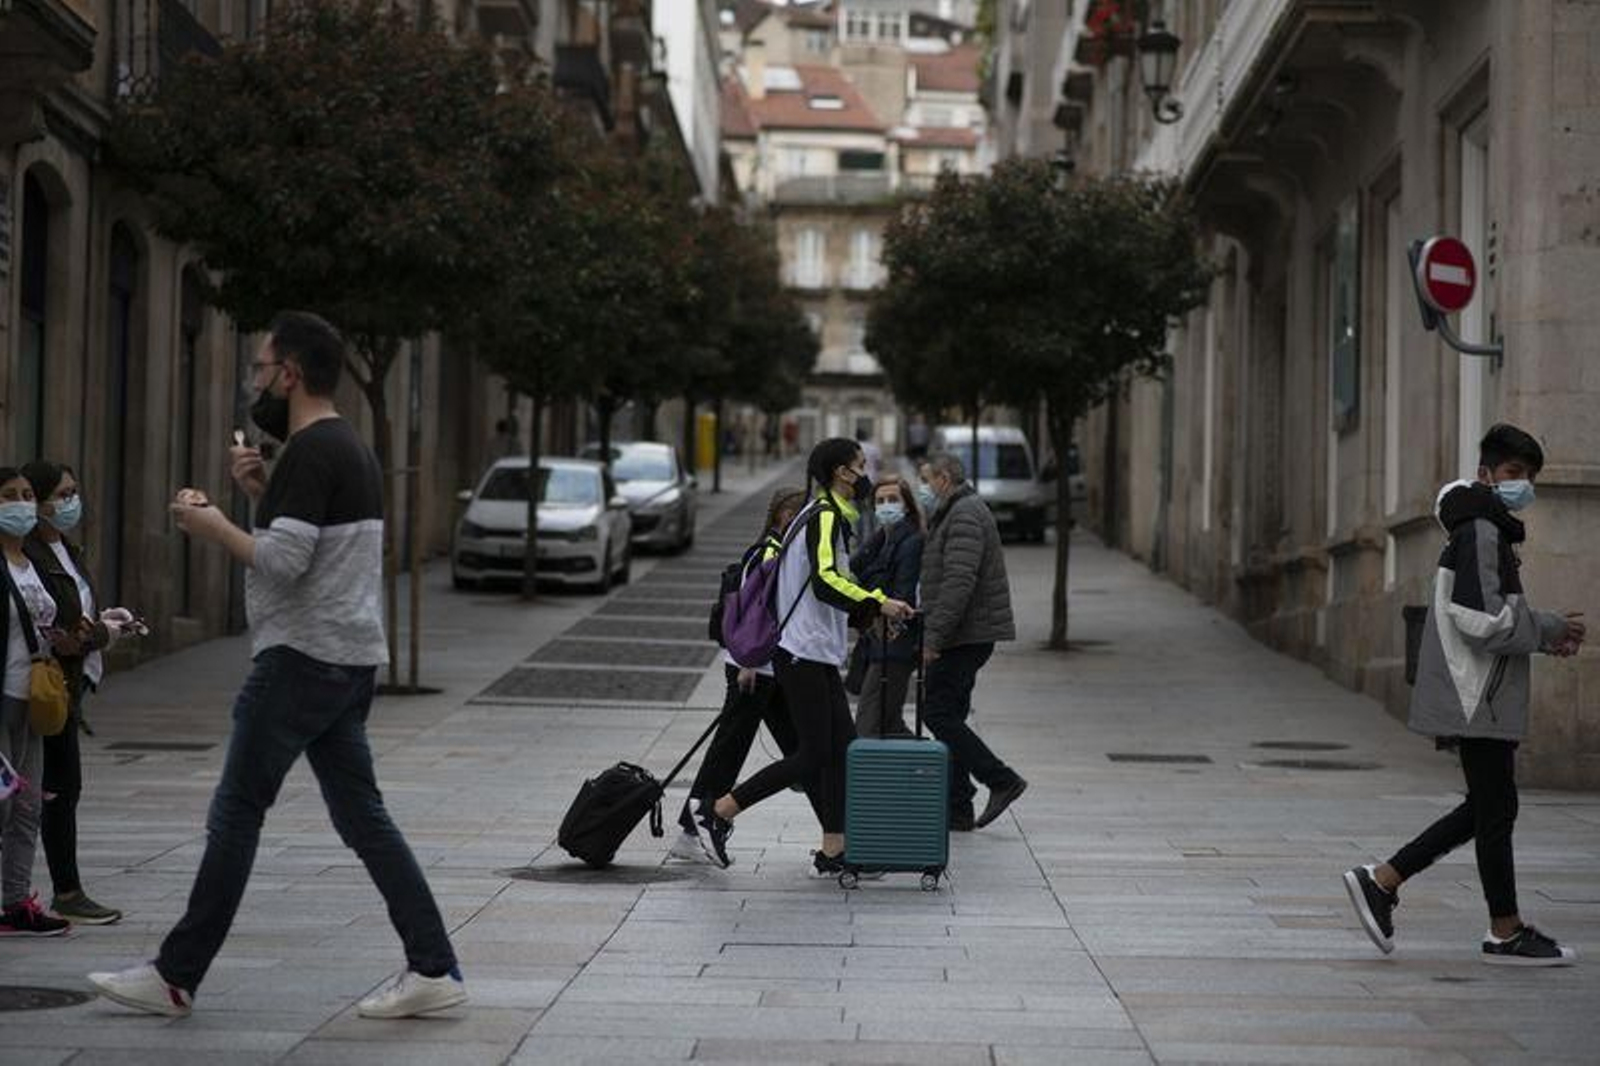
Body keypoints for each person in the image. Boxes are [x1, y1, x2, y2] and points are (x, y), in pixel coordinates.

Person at [89, 311, 465, 1017]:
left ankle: (175, 973)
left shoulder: (312, 451)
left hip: (301, 659)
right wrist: (263, 492)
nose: (255, 382)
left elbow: (286, 563)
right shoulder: (343, 446)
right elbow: (318, 546)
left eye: (260, 370)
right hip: (348, 660)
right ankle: (434, 969)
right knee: (364, 819)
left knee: (236, 812)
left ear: (289, 374)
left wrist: (212, 525)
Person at [1343, 424, 1585, 966]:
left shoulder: (1485, 526)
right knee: (1495, 807)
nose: (1522, 485)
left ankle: (1388, 882)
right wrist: (1546, 628)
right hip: (1478, 693)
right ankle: (1497, 927)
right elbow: (1483, 620)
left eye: (1529, 477)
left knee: (1491, 806)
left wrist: (1543, 634)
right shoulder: (1480, 529)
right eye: (1512, 475)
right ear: (1486, 475)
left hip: (1481, 690)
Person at [707, 439, 915, 876]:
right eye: (860, 467)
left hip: (816, 652)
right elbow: (824, 581)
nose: (865, 475)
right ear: (842, 472)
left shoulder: (829, 516)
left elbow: (824, 587)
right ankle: (720, 811)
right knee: (814, 754)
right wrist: (880, 603)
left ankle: (833, 851)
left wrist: (869, 614)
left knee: (841, 751)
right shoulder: (823, 516)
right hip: (801, 654)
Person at [672, 486, 806, 868]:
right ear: (781, 516)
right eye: (794, 514)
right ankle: (694, 826)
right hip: (754, 669)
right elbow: (754, 613)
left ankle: (839, 835)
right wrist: (748, 661)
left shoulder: (781, 553)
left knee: (801, 751)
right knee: (731, 748)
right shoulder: (769, 553)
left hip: (769, 667)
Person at [22, 461, 124, 925]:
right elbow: (58, 629)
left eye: (74, 492)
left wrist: (104, 623)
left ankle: (60, 890)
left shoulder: (66, 549)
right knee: (46, 791)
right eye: (62, 494)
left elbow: (76, 615)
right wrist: (101, 633)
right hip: (41, 684)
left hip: (69, 684)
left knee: (57, 789)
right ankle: (60, 890)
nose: (71, 502)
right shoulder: (27, 556)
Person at [917, 453, 1027, 831]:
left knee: (938, 713)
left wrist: (933, 638)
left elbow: (958, 582)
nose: (923, 489)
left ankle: (1000, 779)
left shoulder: (963, 514)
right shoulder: (956, 510)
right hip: (967, 633)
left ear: (944, 478)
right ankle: (958, 809)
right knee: (952, 715)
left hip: (965, 635)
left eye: (926, 480)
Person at [0, 466, 72, 936]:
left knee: (27, 806)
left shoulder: (34, 562)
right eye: (10, 496)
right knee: (1, 804)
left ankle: (16, 902)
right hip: (3, 698)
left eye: (27, 494)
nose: (23, 503)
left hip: (36, 698)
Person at [850, 476, 925, 738]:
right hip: (879, 639)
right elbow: (852, 569)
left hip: (894, 639)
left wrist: (877, 607)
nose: (886, 505)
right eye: (880, 501)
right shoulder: (882, 537)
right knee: (889, 723)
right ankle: (926, 772)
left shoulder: (912, 540)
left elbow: (904, 593)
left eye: (893, 499)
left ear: (907, 505)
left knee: (868, 725)